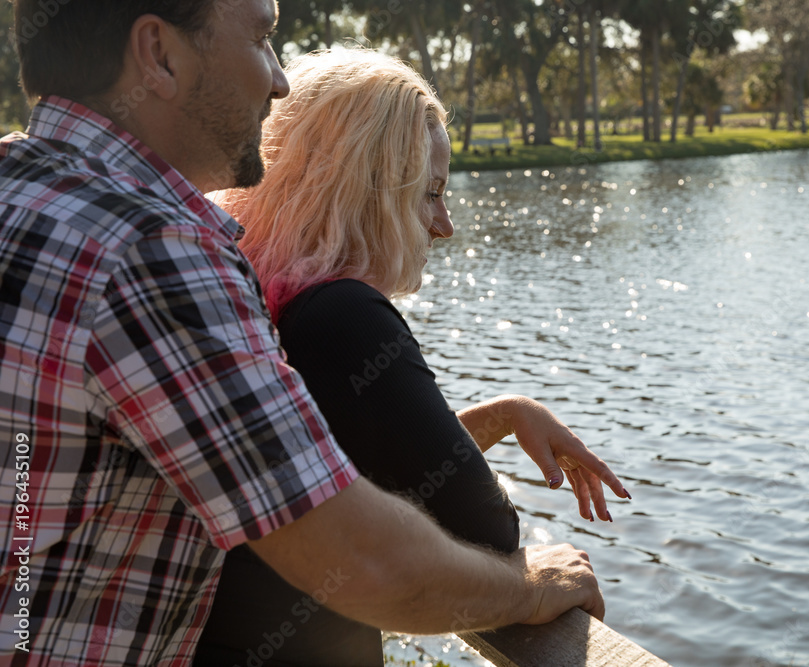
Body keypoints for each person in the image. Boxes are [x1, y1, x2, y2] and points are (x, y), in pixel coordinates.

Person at [0, 2, 607, 665]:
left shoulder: (23, 189)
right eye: (262, 38)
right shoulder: (154, 250)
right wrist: (533, 586)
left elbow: (271, 462)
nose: (281, 80)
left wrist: (496, 416)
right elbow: (363, 557)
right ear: (159, 55)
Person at [194, 49, 631, 665]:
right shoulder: (344, 317)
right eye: (431, 194)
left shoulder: (253, 293)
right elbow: (485, 528)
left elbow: (362, 470)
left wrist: (505, 414)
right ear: (371, 193)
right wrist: (540, 580)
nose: (445, 224)